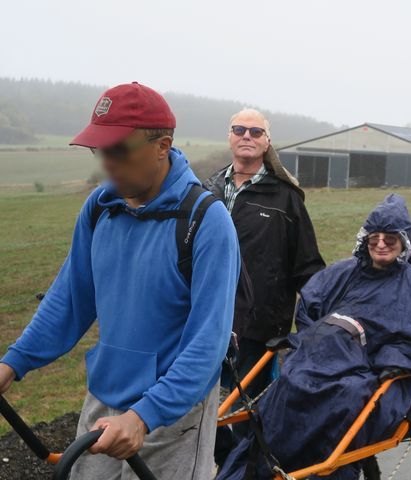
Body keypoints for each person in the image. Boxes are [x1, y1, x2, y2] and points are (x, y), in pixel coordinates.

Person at [0, 82, 240, 479]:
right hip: (103, 400)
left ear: (162, 146)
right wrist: (13, 362)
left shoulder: (205, 221)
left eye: (118, 150)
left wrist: (145, 415)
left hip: (172, 414)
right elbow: (70, 300)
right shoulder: (100, 207)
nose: (107, 163)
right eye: (100, 150)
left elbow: (207, 342)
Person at [217, 194, 411, 480]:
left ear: (403, 242)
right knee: (290, 386)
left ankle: (318, 470)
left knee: (343, 398)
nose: (381, 243)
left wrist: (386, 359)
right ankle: (265, 464)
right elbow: (308, 307)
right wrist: (313, 342)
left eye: (390, 238)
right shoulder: (342, 273)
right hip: (319, 359)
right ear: (365, 239)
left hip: (367, 372)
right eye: (374, 237)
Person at [203, 109, 325, 460]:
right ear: (229, 136)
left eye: (256, 132)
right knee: (201, 406)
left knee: (245, 410)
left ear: (267, 142)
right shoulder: (207, 189)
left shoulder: (286, 197)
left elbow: (308, 264)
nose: (247, 136)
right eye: (239, 129)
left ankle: (244, 467)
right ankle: (222, 461)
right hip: (205, 319)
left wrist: (324, 317)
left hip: (257, 326)